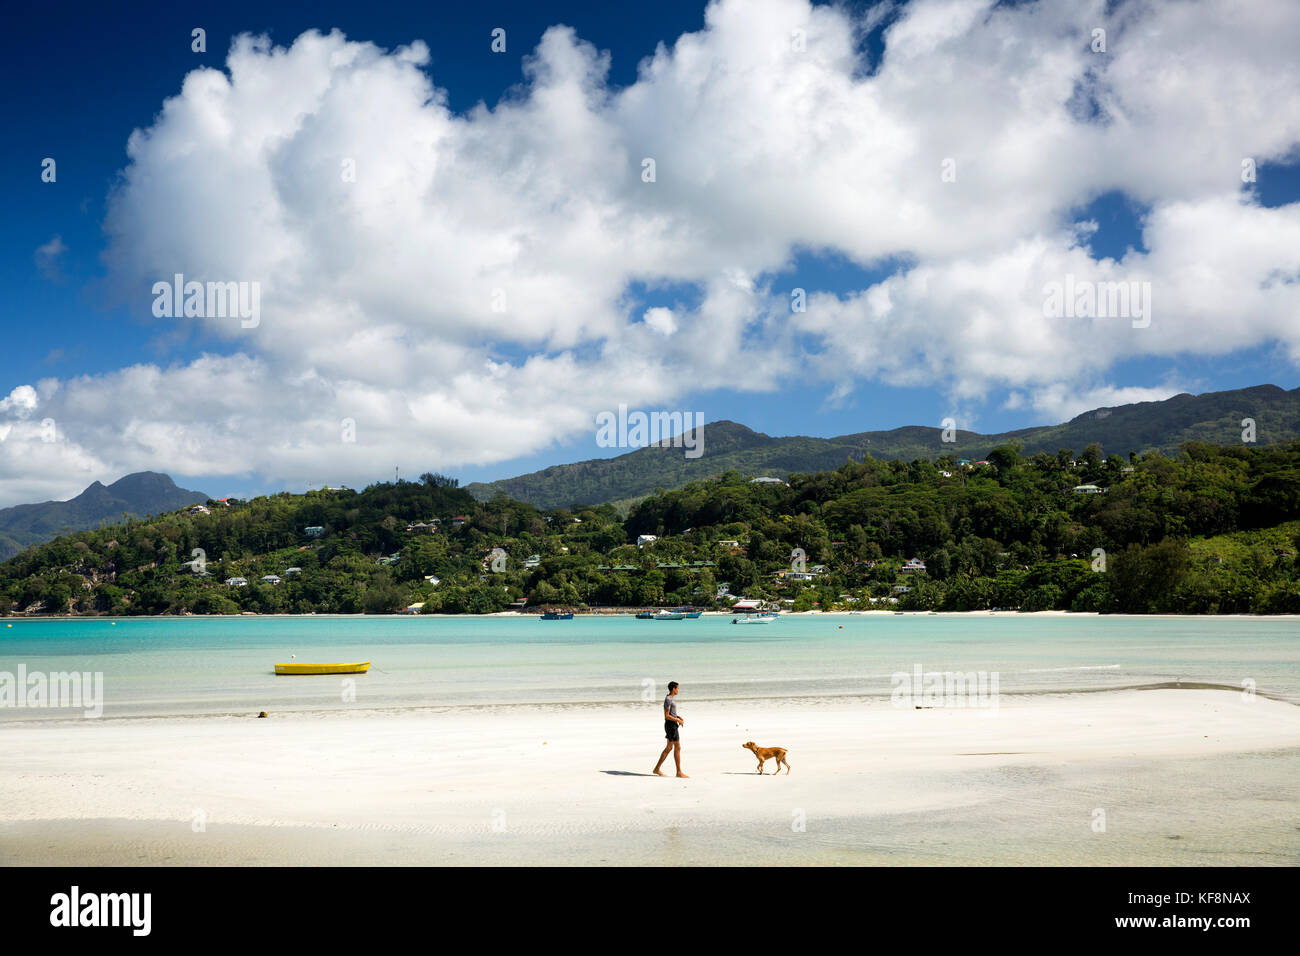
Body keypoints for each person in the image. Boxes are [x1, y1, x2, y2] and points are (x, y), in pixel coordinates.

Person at [653, 681, 688, 777]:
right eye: (677, 688)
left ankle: (657, 769)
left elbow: (671, 713)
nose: (678, 690)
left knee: (673, 747)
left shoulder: (671, 698)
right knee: (673, 747)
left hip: (672, 724)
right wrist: (677, 720)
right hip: (671, 725)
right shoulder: (668, 699)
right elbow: (667, 715)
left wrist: (678, 717)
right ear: (673, 688)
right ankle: (678, 772)